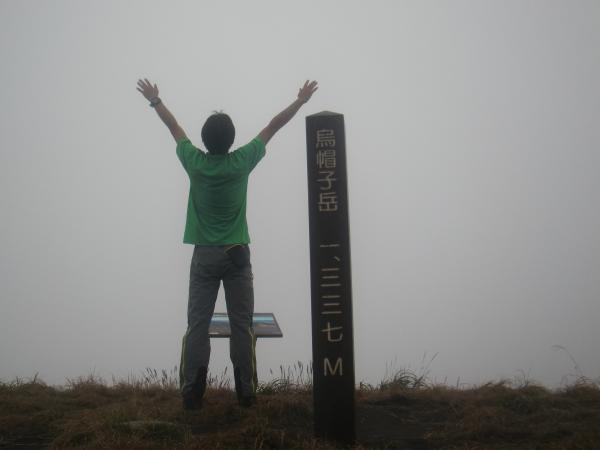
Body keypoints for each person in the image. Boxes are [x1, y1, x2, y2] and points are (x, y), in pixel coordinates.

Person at [136, 78, 318, 410]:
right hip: (237, 256)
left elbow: (174, 127)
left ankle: (192, 391)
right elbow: (273, 126)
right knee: (241, 325)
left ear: (205, 140)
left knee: (197, 325)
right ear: (231, 140)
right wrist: (301, 101)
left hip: (204, 257)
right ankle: (246, 391)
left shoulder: (194, 162)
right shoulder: (242, 161)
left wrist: (155, 100)